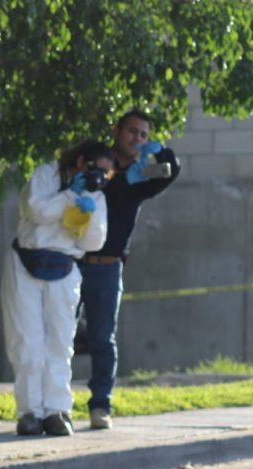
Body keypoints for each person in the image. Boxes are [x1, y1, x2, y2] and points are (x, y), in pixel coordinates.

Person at [1, 140, 112, 437]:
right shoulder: (46, 175)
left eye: (106, 174)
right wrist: (68, 197)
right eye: (95, 169)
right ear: (80, 162)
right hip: (26, 262)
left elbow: (94, 242)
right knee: (26, 339)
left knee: (61, 342)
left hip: (64, 267)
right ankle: (29, 412)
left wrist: (84, 213)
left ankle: (57, 410)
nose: (98, 177)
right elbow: (35, 209)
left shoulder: (95, 195)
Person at [79, 109, 181, 430]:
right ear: (116, 130)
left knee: (102, 339)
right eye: (132, 132)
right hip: (74, 262)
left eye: (143, 135)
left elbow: (171, 171)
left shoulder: (141, 177)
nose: (137, 139)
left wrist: (160, 152)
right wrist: (117, 176)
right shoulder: (99, 163)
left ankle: (100, 406)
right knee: (60, 336)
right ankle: (54, 407)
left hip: (109, 268)